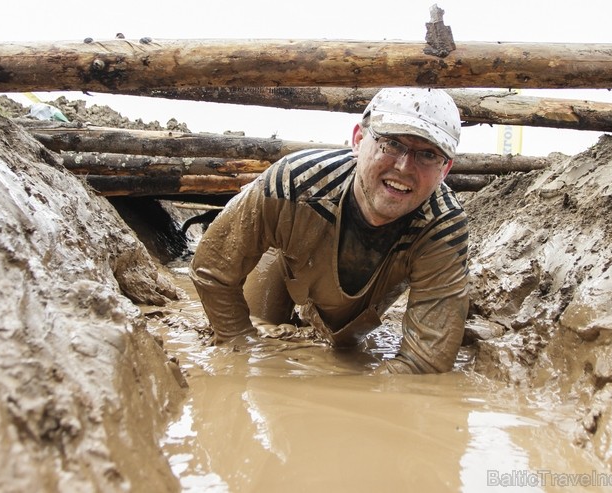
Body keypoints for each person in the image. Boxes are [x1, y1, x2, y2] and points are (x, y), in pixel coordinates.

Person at [189, 87, 469, 374]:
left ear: (445, 169)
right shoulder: (292, 184)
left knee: (344, 349)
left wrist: (347, 396)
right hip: (286, 253)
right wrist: (241, 345)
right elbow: (213, 270)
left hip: (358, 306)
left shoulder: (443, 228)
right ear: (359, 140)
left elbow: (425, 361)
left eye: (427, 155)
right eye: (392, 144)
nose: (404, 167)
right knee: (258, 329)